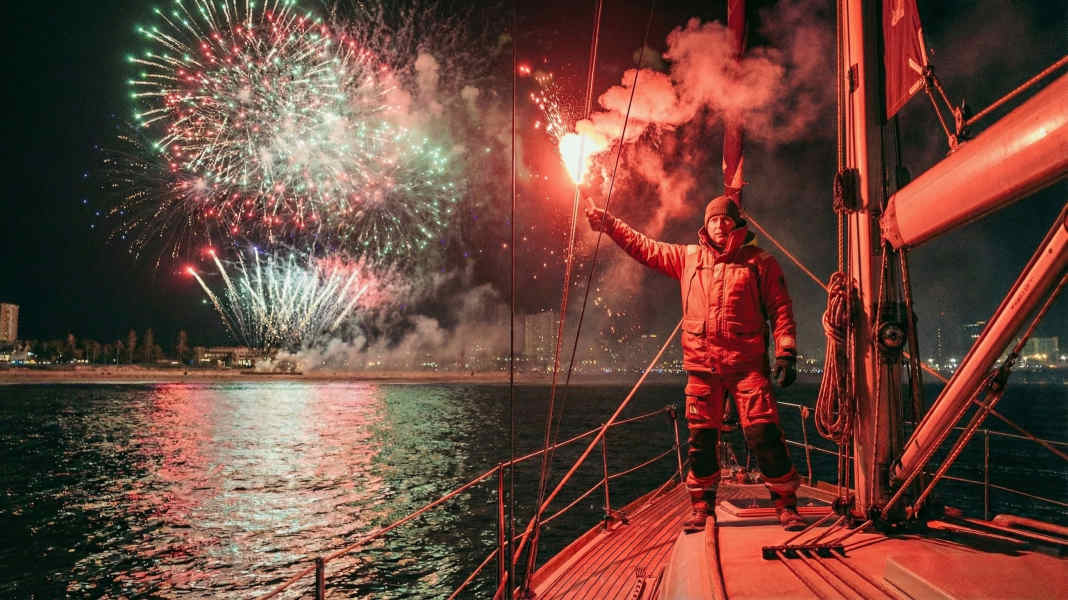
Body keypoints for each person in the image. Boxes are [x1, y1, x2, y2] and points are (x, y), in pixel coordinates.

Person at [585, 195, 805, 532]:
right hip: (702, 366)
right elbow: (644, 247)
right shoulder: (687, 257)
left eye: (725, 219)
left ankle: (786, 505)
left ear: (736, 224)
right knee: (701, 439)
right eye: (714, 220)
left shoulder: (760, 263)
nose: (719, 225)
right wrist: (611, 224)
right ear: (707, 225)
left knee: (763, 433)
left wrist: (786, 351)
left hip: (747, 366)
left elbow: (781, 308)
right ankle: (702, 505)